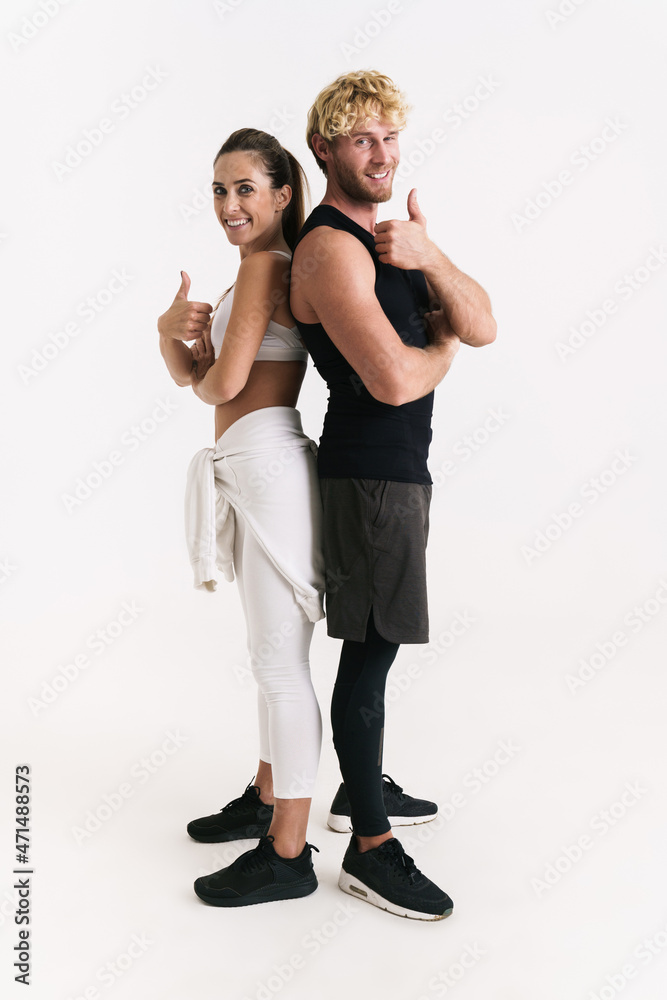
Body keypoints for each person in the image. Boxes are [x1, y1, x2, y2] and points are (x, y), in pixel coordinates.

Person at [290, 71, 497, 921]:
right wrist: (442, 339)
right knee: (369, 651)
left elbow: (484, 320)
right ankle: (368, 845)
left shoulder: (389, 237)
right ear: (325, 150)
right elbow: (394, 378)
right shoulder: (330, 247)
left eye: (388, 136)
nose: (380, 153)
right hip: (367, 470)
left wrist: (429, 257)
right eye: (361, 138)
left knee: (380, 646)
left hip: (399, 472)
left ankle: (358, 786)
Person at [158, 128, 325, 907]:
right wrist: (174, 342)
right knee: (270, 660)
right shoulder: (244, 277)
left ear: (283, 192)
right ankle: (267, 800)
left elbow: (219, 382)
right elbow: (204, 377)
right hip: (251, 466)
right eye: (219, 191)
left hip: (266, 464)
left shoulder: (265, 266)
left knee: (279, 666)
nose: (229, 205)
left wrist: (184, 355)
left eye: (245, 188)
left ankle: (287, 853)